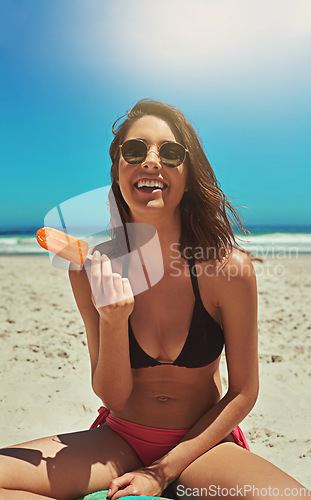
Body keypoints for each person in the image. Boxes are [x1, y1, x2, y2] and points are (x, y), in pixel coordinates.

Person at [0, 99, 309, 499]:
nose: (150, 161)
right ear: (117, 172)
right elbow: (113, 397)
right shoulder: (90, 269)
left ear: (187, 172)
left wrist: (163, 471)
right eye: (134, 150)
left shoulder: (227, 269)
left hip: (202, 446)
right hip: (119, 440)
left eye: (170, 152)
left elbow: (243, 392)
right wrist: (113, 319)